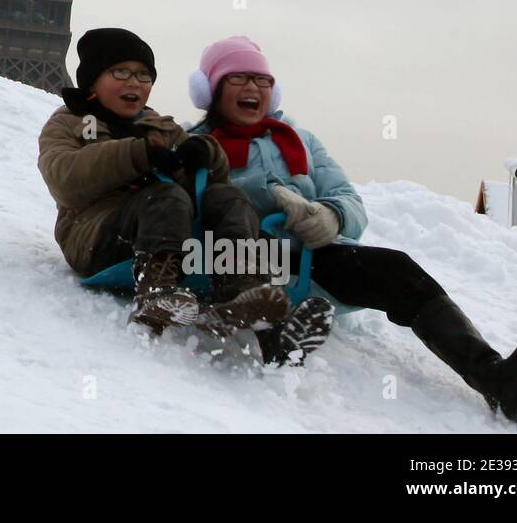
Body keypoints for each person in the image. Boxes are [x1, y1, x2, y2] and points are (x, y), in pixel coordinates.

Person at [186, 35, 517, 421]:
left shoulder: (299, 140)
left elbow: (347, 197)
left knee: (397, 271)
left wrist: (330, 216)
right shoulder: (195, 143)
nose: (252, 88)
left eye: (261, 80)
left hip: (314, 256)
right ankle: (275, 338)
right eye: (238, 78)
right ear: (210, 90)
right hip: (244, 260)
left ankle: (499, 381)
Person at [37, 28, 331, 362]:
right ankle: (156, 289)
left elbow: (213, 183)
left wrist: (205, 152)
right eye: (120, 72)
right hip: (97, 236)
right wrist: (138, 154)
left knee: (229, 200)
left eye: (144, 75)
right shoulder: (70, 123)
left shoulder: (159, 126)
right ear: (92, 80)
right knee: (164, 196)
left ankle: (243, 292)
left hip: (164, 230)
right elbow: (65, 177)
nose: (134, 83)